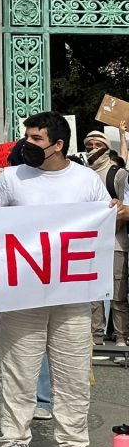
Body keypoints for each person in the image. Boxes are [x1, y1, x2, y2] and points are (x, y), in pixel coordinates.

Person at [0, 111, 118, 447]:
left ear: (58, 145)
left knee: (72, 374)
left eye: (36, 138)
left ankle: (74, 446)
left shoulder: (86, 180)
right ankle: (13, 442)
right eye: (27, 136)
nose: (27, 143)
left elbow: (101, 222)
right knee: (18, 371)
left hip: (72, 296)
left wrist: (114, 209)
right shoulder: (10, 178)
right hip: (22, 295)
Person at [82, 129, 128, 346]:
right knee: (93, 292)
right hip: (91, 243)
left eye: (96, 145)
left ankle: (121, 336)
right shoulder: (83, 175)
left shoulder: (118, 174)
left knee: (118, 292)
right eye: (88, 145)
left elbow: (126, 208)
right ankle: (96, 335)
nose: (92, 149)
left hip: (116, 242)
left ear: (106, 147)